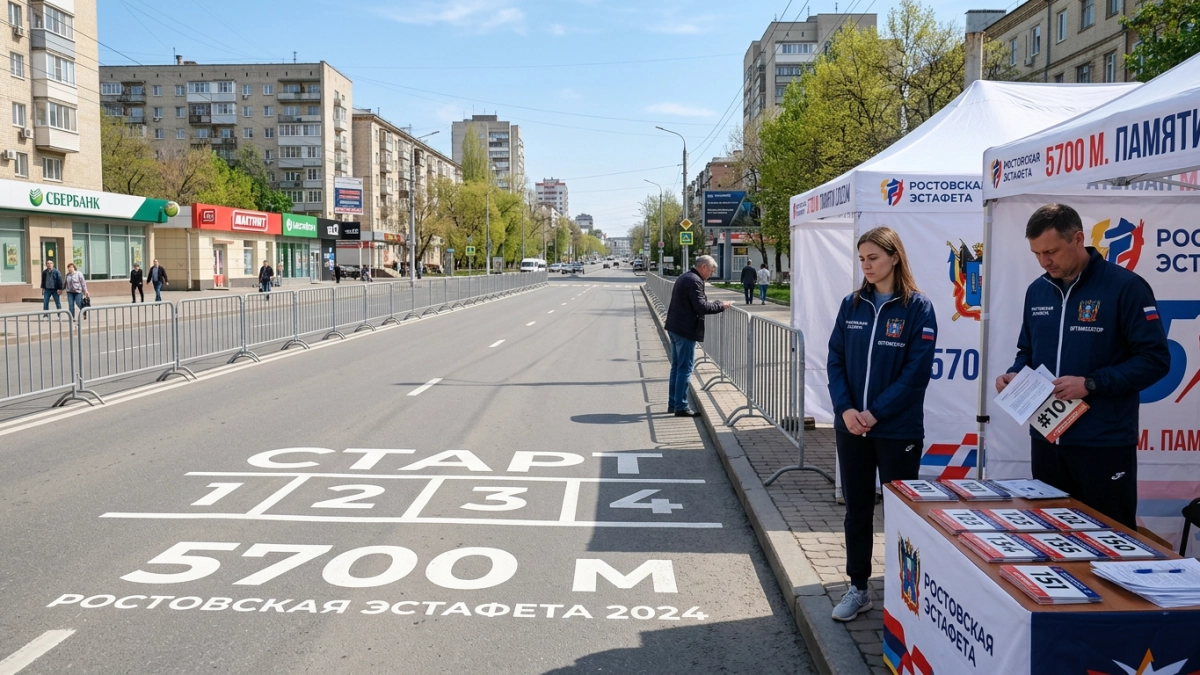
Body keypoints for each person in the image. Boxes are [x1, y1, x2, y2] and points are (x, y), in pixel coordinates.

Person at [995, 203, 1169, 529]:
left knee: (1109, 539)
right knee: (1052, 536)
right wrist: (1016, 374)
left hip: (1103, 442)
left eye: (1052, 251)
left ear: (1078, 239)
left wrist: (1090, 384)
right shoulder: (1038, 291)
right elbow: (1027, 352)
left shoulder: (1125, 287)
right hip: (1047, 439)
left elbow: (1155, 360)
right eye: (1036, 253)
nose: (1045, 261)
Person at [827, 226, 938, 622]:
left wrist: (875, 413)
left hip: (897, 429)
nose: (866, 265)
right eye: (861, 259)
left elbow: (915, 374)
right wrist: (845, 411)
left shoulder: (918, 308)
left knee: (900, 514)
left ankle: (902, 591)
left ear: (894, 257)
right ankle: (859, 588)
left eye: (873, 257)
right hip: (851, 427)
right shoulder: (851, 305)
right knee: (857, 510)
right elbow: (835, 361)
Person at [664, 255, 733, 417]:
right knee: (685, 368)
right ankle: (680, 406)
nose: (712, 272)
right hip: (685, 330)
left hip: (675, 327)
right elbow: (701, 307)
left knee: (676, 367)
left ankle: (673, 403)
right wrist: (720, 306)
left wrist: (715, 302)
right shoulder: (694, 281)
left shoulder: (685, 277)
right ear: (703, 267)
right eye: (711, 269)